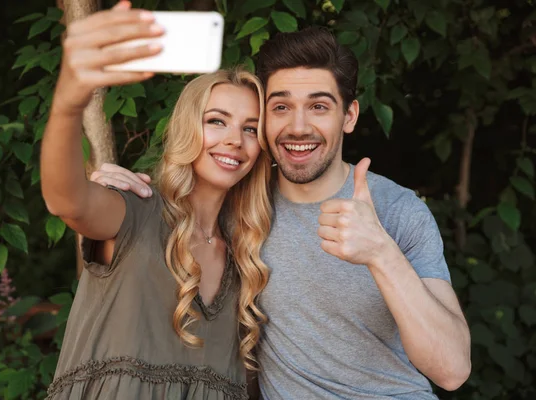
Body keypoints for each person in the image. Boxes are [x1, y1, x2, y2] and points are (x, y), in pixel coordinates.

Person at [93, 27, 472, 399]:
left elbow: (452, 370)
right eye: (281, 107)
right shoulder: (241, 210)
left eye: (319, 107)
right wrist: (110, 188)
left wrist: (381, 253)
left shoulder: (398, 210)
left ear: (350, 115)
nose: (298, 127)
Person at [40, 2, 273, 399]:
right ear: (186, 127)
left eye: (251, 129)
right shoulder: (137, 208)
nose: (235, 139)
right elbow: (66, 201)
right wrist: (68, 100)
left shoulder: (247, 256)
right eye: (216, 120)